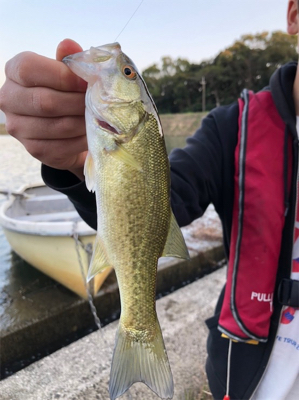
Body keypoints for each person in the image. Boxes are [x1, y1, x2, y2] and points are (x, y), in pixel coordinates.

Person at [1, 1, 298, 398]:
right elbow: (168, 201)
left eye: (126, 73)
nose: (123, 71)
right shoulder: (232, 130)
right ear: (294, 14)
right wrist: (73, 168)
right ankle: (138, 329)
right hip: (247, 379)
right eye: (129, 74)